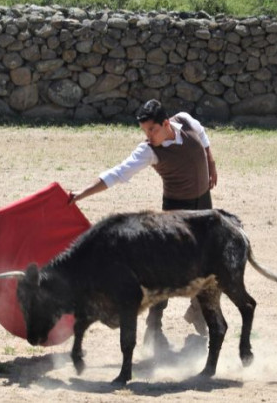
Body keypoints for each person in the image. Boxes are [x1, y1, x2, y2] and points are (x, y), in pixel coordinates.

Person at [68, 99, 218, 351]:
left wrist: (211, 163)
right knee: (168, 272)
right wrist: (81, 194)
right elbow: (117, 173)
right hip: (176, 214)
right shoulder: (148, 150)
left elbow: (202, 136)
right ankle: (154, 329)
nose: (149, 136)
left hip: (204, 207)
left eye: (152, 130)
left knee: (211, 265)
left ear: (166, 123)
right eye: (145, 131)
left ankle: (198, 313)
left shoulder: (185, 121)